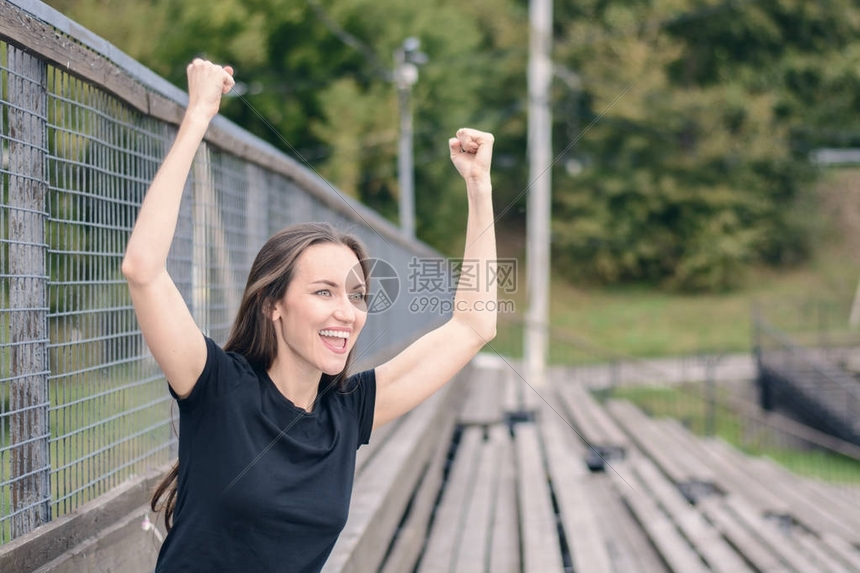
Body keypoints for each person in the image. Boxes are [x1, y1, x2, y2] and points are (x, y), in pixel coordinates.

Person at [122, 58, 497, 573]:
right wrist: (198, 118)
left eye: (357, 296)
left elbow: (475, 325)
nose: (346, 312)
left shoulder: (347, 412)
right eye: (324, 292)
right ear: (274, 304)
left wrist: (479, 189)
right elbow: (143, 269)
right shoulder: (216, 388)